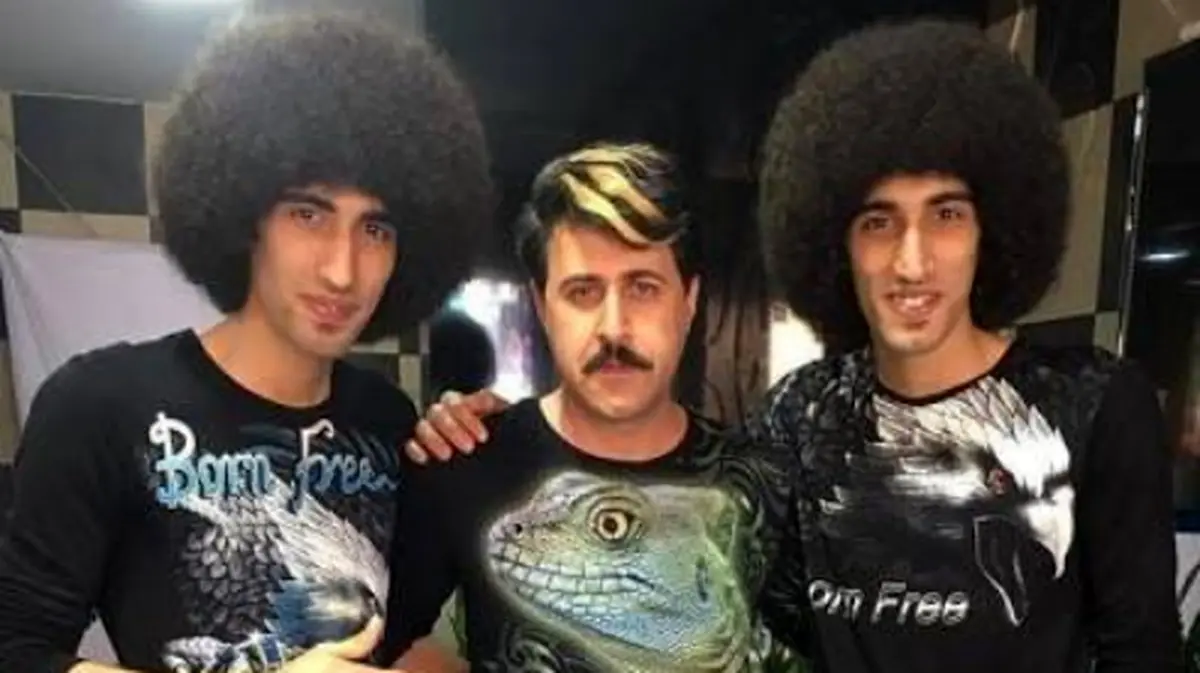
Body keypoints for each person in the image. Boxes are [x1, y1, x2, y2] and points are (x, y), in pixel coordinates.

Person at [406, 19, 1184, 673]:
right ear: (836, 238)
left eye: (946, 214)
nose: (912, 260)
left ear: (994, 226)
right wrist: (469, 421)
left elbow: (1142, 650)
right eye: (877, 222)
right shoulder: (800, 417)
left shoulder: (1092, 405)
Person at [0, 10, 490, 673]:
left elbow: (394, 639)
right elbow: (16, 650)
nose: (342, 270)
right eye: (308, 214)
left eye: (375, 229)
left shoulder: (384, 418)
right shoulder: (100, 405)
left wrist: (473, 449)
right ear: (244, 215)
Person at [384, 143, 809, 672]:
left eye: (643, 288)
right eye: (582, 291)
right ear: (542, 307)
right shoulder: (462, 459)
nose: (613, 328)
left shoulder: (766, 483)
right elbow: (386, 648)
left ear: (688, 302)